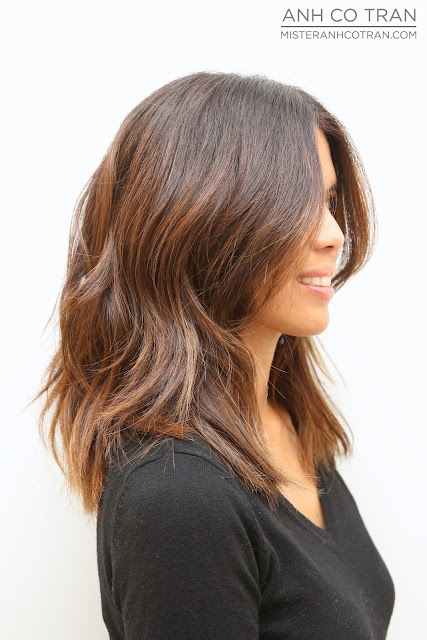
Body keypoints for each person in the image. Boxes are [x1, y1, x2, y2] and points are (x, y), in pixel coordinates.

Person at [35, 71, 395, 639]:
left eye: (328, 200)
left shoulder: (283, 419)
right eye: (296, 204)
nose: (333, 234)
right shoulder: (178, 493)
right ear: (203, 223)